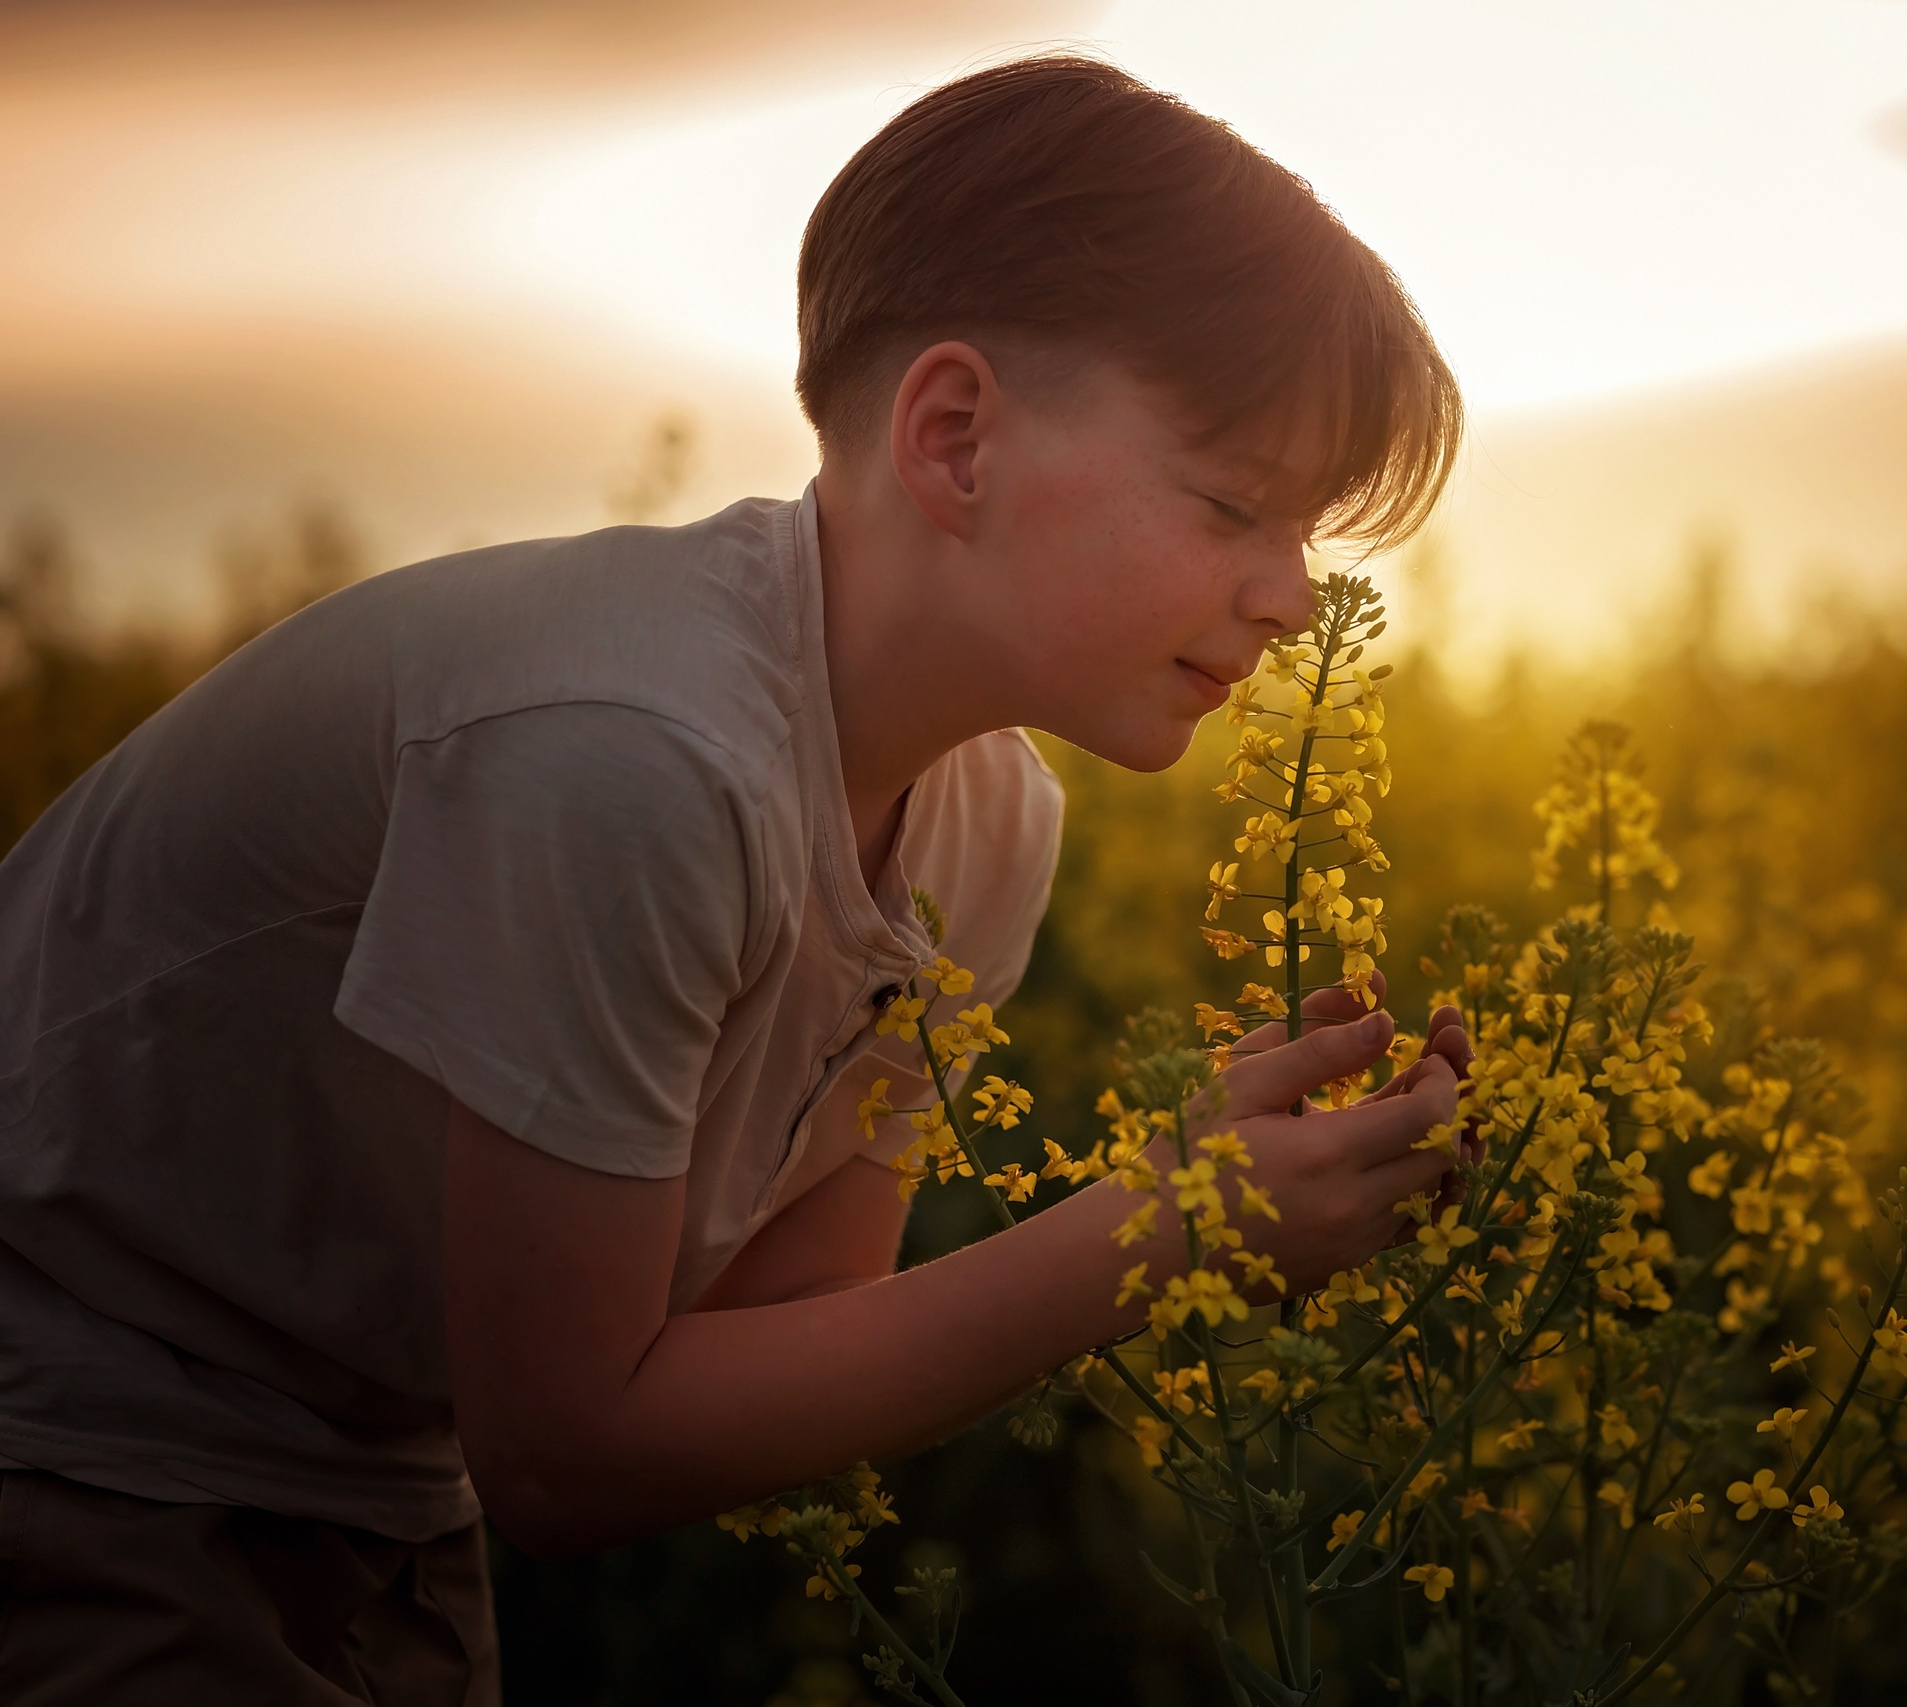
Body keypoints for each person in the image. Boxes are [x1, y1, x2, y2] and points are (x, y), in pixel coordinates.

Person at [0, 54, 1468, 1704]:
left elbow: (773, 1348)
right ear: (955, 435)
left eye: (1312, 535)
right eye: (1233, 505)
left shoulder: (990, 826)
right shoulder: (629, 752)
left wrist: (1196, 1179)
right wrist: (1165, 1228)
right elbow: (570, 1454)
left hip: (381, 1500)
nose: (1287, 594)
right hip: (75, 1457)